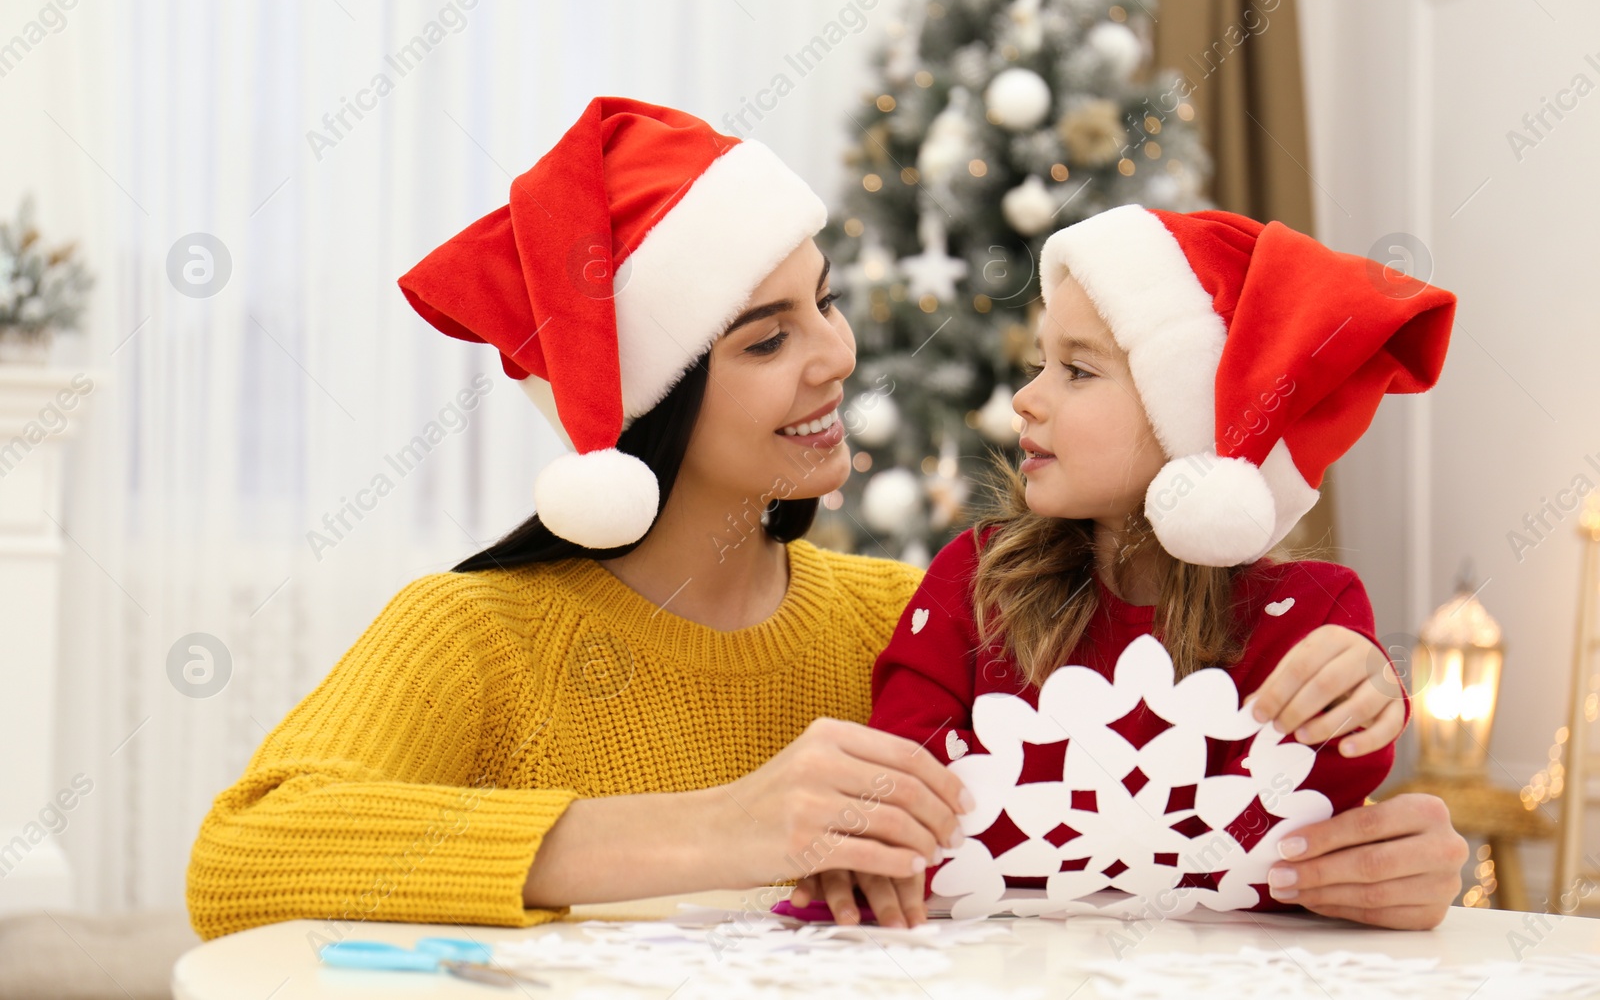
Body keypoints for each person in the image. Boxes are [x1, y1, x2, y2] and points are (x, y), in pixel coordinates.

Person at [184, 99, 1469, 943]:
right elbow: (240, 861)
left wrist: (1375, 855)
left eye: (827, 302)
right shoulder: (470, 631)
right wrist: (726, 825)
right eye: (765, 336)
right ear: (653, 402)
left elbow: (1167, 785)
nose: (837, 357)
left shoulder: (905, 608)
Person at [792, 204, 1463, 928]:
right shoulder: (978, 579)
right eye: (1039, 363)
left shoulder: (1307, 614)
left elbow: (1329, 806)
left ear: (1198, 418)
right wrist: (865, 831)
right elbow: (897, 774)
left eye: (1077, 370)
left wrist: (1362, 693)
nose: (1025, 398)